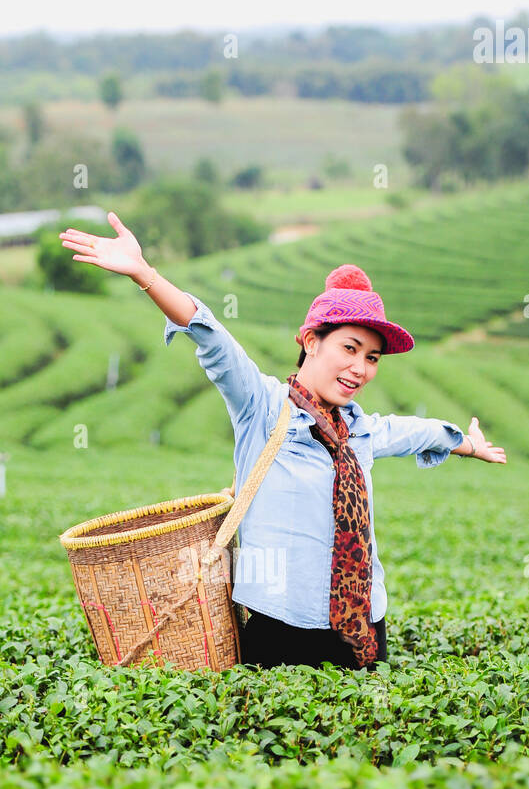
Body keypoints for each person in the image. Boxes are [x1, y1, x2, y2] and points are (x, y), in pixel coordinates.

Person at [59, 213, 506, 672]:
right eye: (349, 349)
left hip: (364, 624)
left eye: (372, 358)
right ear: (312, 341)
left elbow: (419, 432)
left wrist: (467, 445)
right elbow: (211, 336)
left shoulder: (362, 430)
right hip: (281, 623)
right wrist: (144, 273)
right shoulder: (263, 406)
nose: (361, 369)